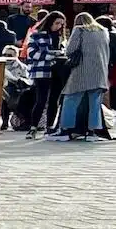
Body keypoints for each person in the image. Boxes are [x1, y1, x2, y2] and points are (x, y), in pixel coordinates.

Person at [55, 11, 111, 142]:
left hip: (82, 71)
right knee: (95, 103)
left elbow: (70, 50)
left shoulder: (79, 30)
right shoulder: (103, 31)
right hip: (100, 71)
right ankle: (92, 133)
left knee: (70, 99)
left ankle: (66, 130)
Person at [21, 11, 67, 139]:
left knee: (54, 100)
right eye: (57, 23)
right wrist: (52, 55)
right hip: (41, 71)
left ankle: (50, 127)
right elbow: (32, 54)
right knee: (41, 99)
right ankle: (33, 127)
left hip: (57, 71)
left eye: (61, 24)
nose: (59, 26)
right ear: (50, 22)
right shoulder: (37, 35)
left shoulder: (61, 38)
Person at [0, 44, 32, 132]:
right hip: (2, 90)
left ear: (16, 56)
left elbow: (27, 81)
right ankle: (4, 122)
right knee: (2, 93)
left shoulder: (22, 67)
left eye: (9, 55)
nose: (7, 57)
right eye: (4, 55)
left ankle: (9, 120)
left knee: (6, 95)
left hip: (17, 91)